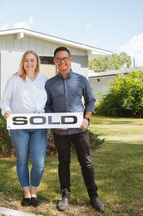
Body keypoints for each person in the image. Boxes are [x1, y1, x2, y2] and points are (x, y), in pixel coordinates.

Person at [44, 47, 105, 212]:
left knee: (86, 162)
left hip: (79, 130)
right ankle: (65, 196)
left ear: (70, 60)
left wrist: (86, 119)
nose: (62, 62)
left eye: (65, 58)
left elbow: (90, 101)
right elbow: (47, 106)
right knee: (63, 163)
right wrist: (55, 122)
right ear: (54, 62)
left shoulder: (81, 80)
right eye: (58, 59)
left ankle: (94, 196)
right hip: (60, 132)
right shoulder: (49, 84)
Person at [0, 50, 48, 207]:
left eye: (32, 60)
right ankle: (26, 193)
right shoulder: (15, 79)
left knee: (38, 163)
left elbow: (49, 103)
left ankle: (34, 190)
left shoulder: (44, 80)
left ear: (37, 62)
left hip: (39, 126)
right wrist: (6, 111)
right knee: (22, 160)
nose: (29, 63)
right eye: (26, 60)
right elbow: (5, 100)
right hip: (19, 126)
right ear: (22, 63)